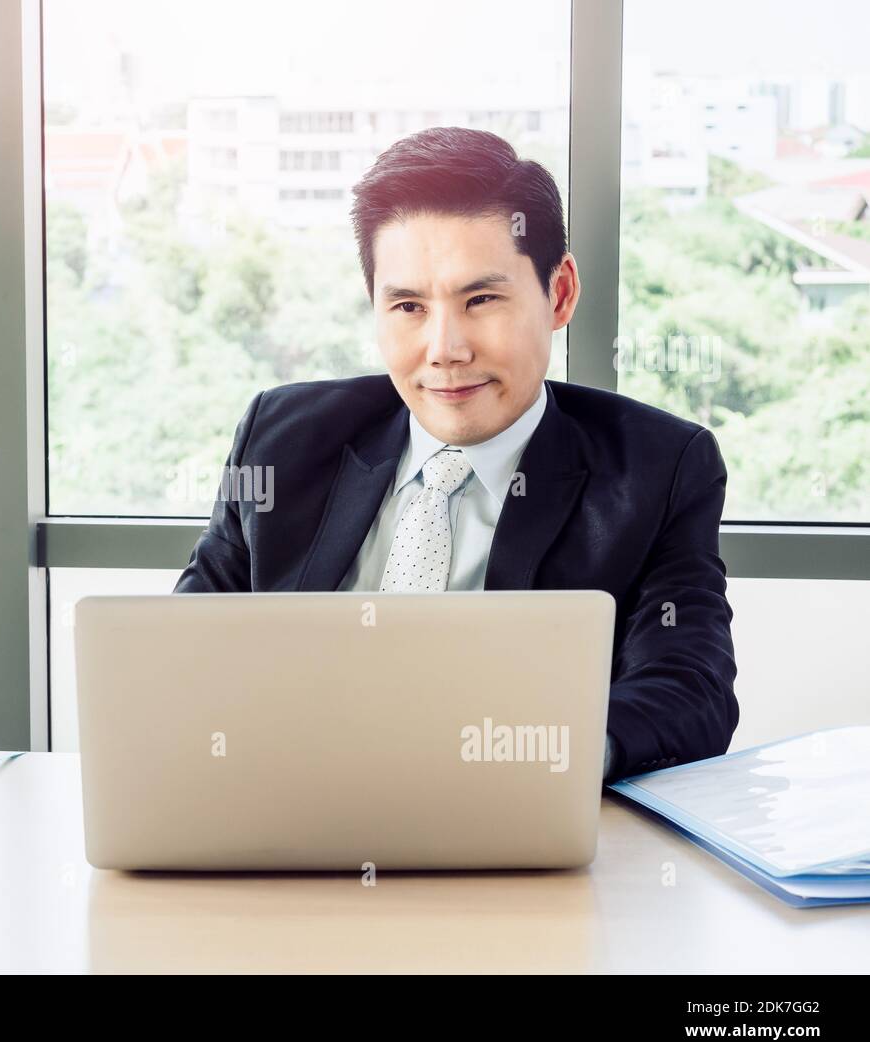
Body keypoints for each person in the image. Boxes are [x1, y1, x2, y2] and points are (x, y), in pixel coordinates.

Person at [174, 126, 739, 783]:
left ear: (559, 294)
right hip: (288, 818)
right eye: (409, 306)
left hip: (510, 825)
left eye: (481, 300)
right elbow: (189, 649)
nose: (445, 348)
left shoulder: (659, 468)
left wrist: (528, 756)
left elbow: (689, 691)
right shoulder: (281, 437)